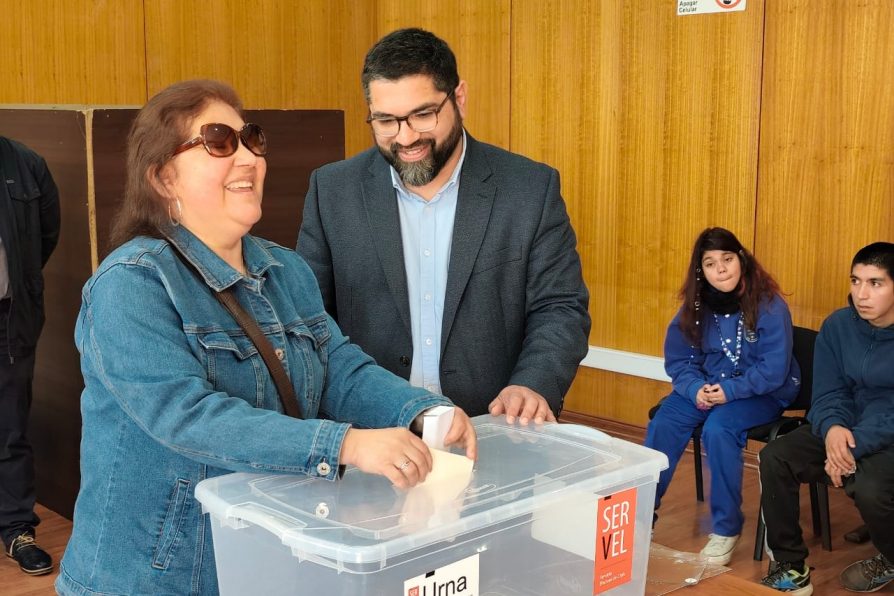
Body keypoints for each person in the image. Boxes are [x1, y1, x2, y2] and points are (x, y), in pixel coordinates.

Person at [55, 80, 477, 596]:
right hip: (153, 575)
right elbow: (186, 415)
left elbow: (337, 368)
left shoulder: (286, 270)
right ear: (163, 177)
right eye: (218, 142)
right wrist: (344, 443)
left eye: (251, 139)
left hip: (262, 558)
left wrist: (420, 411)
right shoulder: (133, 284)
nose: (248, 158)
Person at [297, 28, 590, 424]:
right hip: (373, 429)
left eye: (422, 114)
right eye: (386, 120)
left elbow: (559, 306)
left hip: (492, 427)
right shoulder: (332, 190)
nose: (406, 137)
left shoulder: (529, 188)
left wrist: (534, 383)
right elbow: (310, 318)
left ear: (459, 98)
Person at [646, 227, 800, 565]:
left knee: (718, 429)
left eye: (727, 259)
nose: (721, 270)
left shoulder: (769, 305)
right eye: (711, 263)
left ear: (741, 259)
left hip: (763, 392)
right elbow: (681, 361)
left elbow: (773, 370)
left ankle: (726, 528)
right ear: (701, 269)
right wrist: (694, 388)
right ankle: (642, 517)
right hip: (709, 388)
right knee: (666, 420)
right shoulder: (695, 306)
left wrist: (730, 391)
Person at [759, 242, 894, 595]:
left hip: (886, 436)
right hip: (844, 427)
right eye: (856, 280)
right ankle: (791, 565)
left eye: (875, 283)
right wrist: (833, 429)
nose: (861, 294)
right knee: (776, 456)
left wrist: (852, 444)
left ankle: (891, 557)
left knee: (870, 487)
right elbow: (829, 392)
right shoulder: (838, 325)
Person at [0, 136, 60, 576]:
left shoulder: (25, 162)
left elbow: (46, 234)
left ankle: (17, 529)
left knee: (10, 426)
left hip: (9, 317)